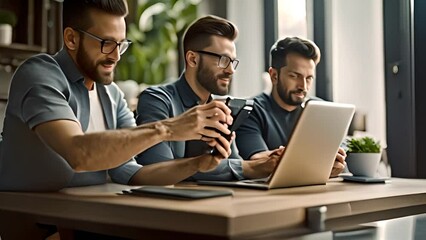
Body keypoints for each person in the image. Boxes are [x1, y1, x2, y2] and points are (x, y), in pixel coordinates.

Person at [0, 0, 235, 192]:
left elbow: (132, 172)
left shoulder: (111, 94)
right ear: (71, 38)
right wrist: (168, 129)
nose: (116, 56)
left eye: (121, 45)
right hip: (37, 222)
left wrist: (197, 164)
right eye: (106, 43)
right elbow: (79, 153)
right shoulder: (39, 73)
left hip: (87, 217)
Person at [135, 15, 280, 181]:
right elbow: (156, 169)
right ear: (193, 59)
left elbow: (231, 166)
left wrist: (266, 161)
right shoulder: (156, 100)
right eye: (223, 60)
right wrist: (249, 168)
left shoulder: (220, 109)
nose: (231, 70)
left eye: (232, 62)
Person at [235, 37, 346, 177]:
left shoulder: (322, 110)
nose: (303, 86)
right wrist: (318, 161)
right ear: (274, 76)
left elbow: (337, 156)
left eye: (309, 78)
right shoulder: (250, 110)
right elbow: (260, 162)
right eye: (294, 76)